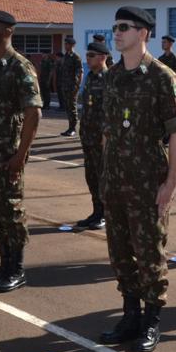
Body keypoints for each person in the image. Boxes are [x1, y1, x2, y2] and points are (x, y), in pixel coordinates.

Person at [98, 6, 176, 352]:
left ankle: (151, 321)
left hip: (148, 184)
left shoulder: (163, 78)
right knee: (120, 253)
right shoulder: (112, 76)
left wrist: (171, 184)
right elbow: (108, 131)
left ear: (144, 33)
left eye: (125, 27)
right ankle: (130, 315)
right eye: (115, 27)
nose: (117, 32)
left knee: (150, 254)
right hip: (116, 182)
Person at [0, 10, 42, 293]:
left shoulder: (20, 68)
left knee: (11, 213)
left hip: (7, 156)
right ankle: (4, 265)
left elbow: (34, 113)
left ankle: (17, 269)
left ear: (7, 32)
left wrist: (20, 155)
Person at [76, 41, 109, 230]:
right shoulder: (90, 77)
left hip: (101, 140)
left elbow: (111, 112)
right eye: (87, 55)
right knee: (92, 177)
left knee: (103, 178)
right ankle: (96, 211)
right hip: (88, 136)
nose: (87, 59)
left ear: (102, 57)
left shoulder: (108, 79)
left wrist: (106, 138)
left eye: (91, 56)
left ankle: (105, 214)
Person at [57, 36, 82, 137]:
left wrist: (77, 86)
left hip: (72, 87)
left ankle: (73, 129)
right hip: (65, 86)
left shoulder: (76, 57)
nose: (65, 45)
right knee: (68, 108)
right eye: (65, 44)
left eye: (67, 44)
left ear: (72, 45)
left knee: (72, 108)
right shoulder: (65, 56)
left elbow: (80, 72)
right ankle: (69, 127)